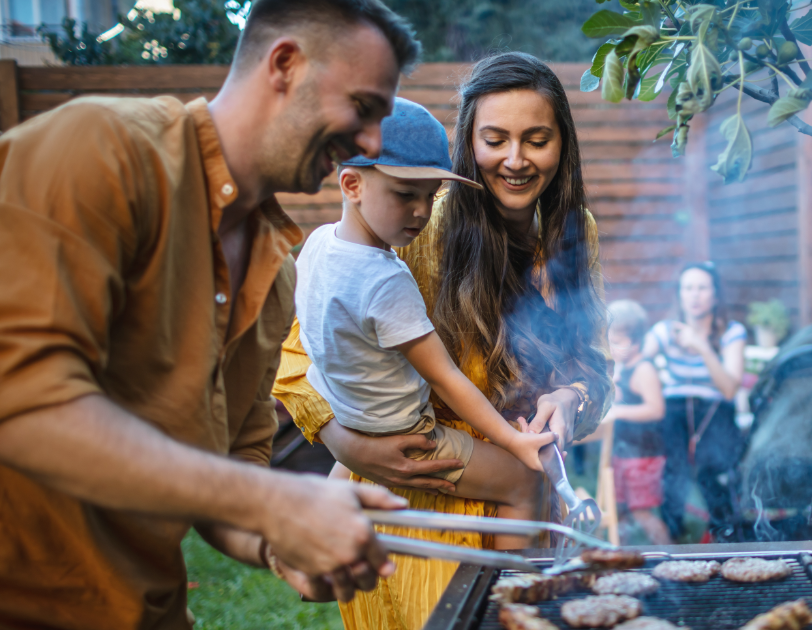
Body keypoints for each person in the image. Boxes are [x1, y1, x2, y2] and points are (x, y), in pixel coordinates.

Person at [0, 1, 428, 626]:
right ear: (285, 64)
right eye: (363, 109)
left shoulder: (277, 267)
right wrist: (271, 500)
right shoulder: (100, 150)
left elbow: (231, 465)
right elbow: (22, 400)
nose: (368, 144)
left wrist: (277, 541)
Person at [273, 52, 612, 629]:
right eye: (495, 139)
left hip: (524, 512)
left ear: (563, 144)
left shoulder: (576, 231)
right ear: (466, 143)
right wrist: (345, 444)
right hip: (418, 502)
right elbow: (299, 356)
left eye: (537, 139)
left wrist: (572, 400)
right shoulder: (415, 217)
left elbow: (596, 369)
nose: (516, 160)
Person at [298, 97, 554, 549]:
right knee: (524, 484)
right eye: (404, 194)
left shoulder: (318, 244)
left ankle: (312, 542)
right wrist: (515, 444)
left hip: (348, 412)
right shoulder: (385, 280)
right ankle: (510, 599)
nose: (421, 211)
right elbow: (446, 378)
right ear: (352, 184)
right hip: (407, 434)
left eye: (430, 194)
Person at [643, 262, 748, 542]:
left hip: (715, 408)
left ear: (715, 295)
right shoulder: (665, 330)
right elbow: (637, 360)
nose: (695, 295)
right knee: (674, 471)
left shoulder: (731, 332)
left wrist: (702, 347)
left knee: (713, 469)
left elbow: (728, 389)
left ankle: (726, 536)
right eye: (688, 288)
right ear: (679, 294)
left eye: (702, 288)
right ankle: (674, 537)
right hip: (675, 406)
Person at [602, 300, 671, 545]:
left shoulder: (644, 370)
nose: (612, 347)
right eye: (610, 341)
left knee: (642, 512)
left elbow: (656, 409)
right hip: (624, 451)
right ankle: (623, 556)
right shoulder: (624, 366)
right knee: (621, 509)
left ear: (636, 341)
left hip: (643, 456)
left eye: (618, 342)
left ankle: (671, 557)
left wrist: (619, 411)